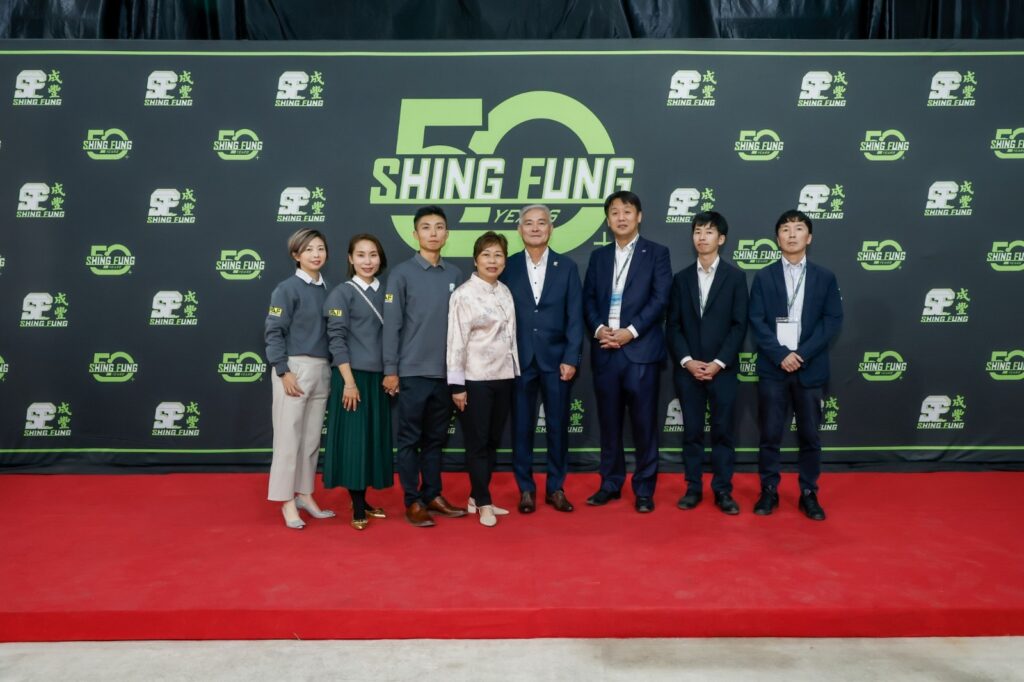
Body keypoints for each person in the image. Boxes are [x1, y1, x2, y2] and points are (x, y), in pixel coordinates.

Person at [748, 209, 843, 521]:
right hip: (773, 368)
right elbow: (756, 320)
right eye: (785, 229)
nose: (791, 234)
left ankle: (809, 492)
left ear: (809, 237)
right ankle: (768, 490)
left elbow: (832, 320)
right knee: (769, 435)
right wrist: (781, 355)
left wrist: (801, 354)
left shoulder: (825, 277)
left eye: (798, 228)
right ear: (777, 238)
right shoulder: (763, 276)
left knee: (810, 436)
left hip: (809, 368)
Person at [582, 191, 672, 513]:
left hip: (640, 351)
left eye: (627, 211)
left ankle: (644, 489)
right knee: (609, 425)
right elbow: (588, 299)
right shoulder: (599, 257)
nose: (621, 217)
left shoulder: (657, 253)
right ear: (608, 220)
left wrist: (630, 332)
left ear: (639, 216)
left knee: (644, 424)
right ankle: (610, 483)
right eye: (615, 212)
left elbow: (660, 299)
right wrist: (599, 330)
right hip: (606, 351)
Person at [383, 206, 467, 527]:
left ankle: (432, 494)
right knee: (409, 441)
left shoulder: (455, 275)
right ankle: (412, 501)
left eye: (439, 227)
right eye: (426, 227)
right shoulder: (401, 274)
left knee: (435, 441)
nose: (433, 233)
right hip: (412, 372)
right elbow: (391, 326)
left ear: (447, 234)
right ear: (415, 234)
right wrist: (391, 370)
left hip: (445, 374)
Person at [499, 205, 584, 514]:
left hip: (557, 360)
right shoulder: (507, 266)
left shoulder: (567, 267)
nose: (535, 228)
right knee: (521, 428)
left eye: (542, 223)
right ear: (519, 229)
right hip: (518, 360)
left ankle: (556, 488)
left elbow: (575, 316)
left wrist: (571, 357)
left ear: (551, 228)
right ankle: (525, 489)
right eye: (529, 223)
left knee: (557, 427)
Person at [666, 211, 748, 515]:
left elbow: (739, 325)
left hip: (722, 370)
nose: (702, 237)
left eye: (709, 231)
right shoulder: (681, 278)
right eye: (698, 231)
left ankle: (723, 490)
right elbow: (673, 325)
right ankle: (693, 487)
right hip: (689, 371)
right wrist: (688, 361)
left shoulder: (736, 277)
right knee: (692, 433)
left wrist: (718, 362)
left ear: (721, 239)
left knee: (723, 433)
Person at [447, 231, 520, 527]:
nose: (493, 260)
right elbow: (456, 341)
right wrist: (457, 385)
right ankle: (484, 503)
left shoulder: (505, 291)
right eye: (486, 255)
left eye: (498, 255)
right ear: (475, 260)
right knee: (477, 443)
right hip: (474, 379)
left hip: (504, 376)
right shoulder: (463, 294)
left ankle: (476, 497)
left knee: (492, 441)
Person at [264, 228, 334, 529]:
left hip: (322, 369)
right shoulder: (286, 289)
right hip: (294, 369)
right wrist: (283, 370)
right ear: (296, 255)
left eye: (320, 248)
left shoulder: (329, 289)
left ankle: (305, 494)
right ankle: (286, 501)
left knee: (311, 440)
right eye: (308, 250)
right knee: (288, 440)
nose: (316, 254)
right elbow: (274, 331)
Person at [322, 234, 392, 531]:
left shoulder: (387, 291)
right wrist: (349, 382)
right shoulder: (342, 293)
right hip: (352, 377)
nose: (367, 261)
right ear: (350, 259)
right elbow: (336, 340)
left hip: (379, 378)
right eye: (361, 255)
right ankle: (358, 504)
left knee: (372, 440)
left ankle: (362, 498)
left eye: (373, 255)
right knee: (355, 442)